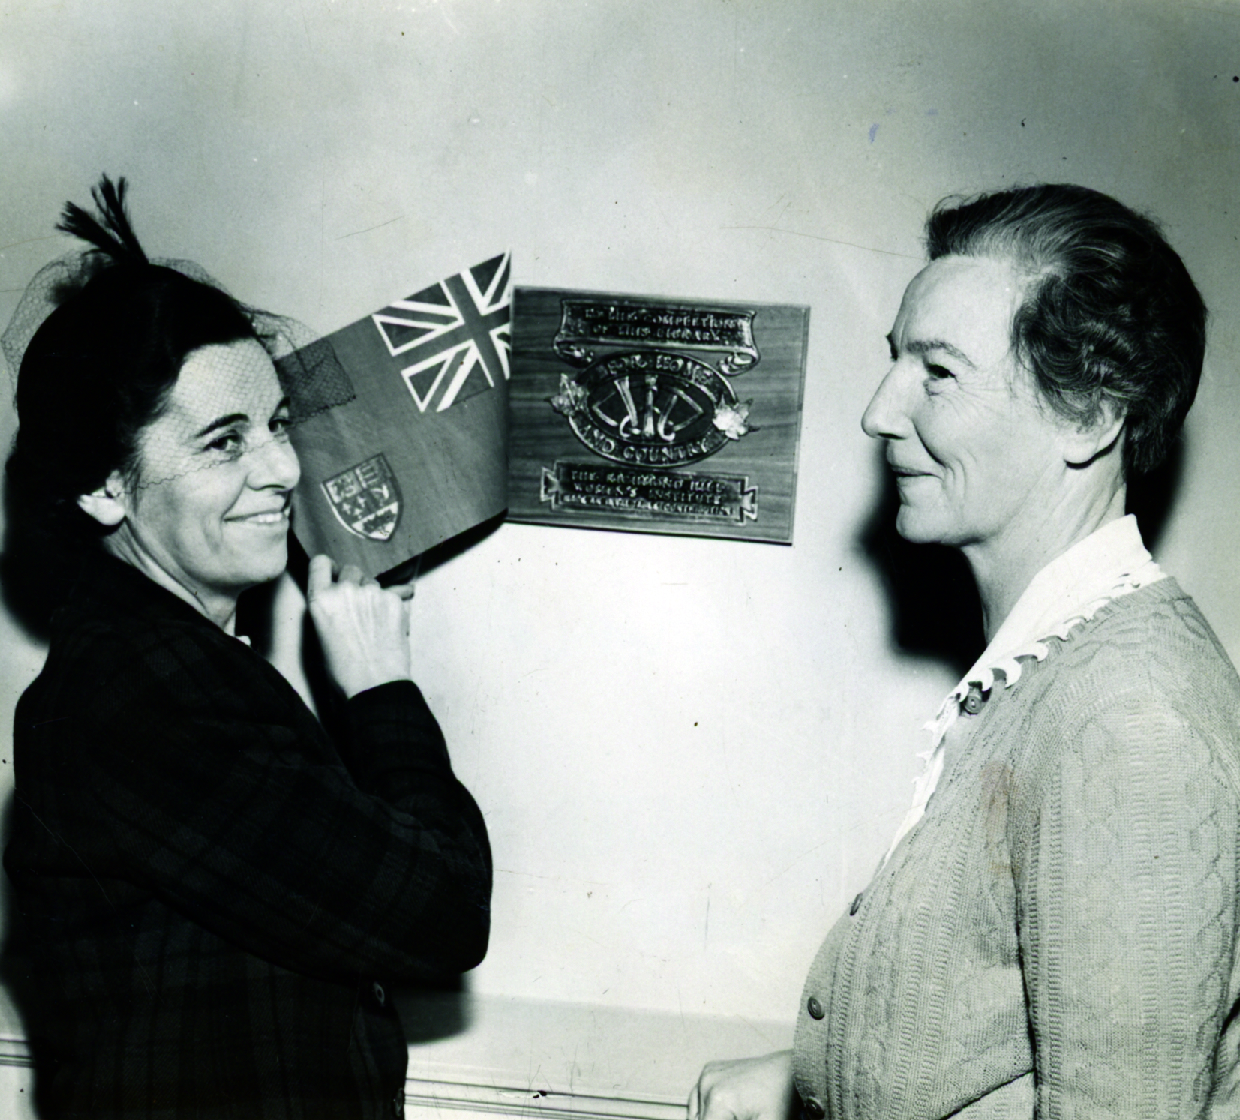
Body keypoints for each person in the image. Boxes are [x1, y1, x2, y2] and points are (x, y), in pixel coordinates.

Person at [689, 184, 1240, 1119]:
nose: (877, 412)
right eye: (895, 362)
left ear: (1088, 415)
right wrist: (802, 1080)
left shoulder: (1126, 717)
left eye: (936, 373)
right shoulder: (1055, 669)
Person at [2, 177, 492, 1119]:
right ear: (106, 487)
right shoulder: (146, 690)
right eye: (225, 443)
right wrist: (382, 690)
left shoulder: (171, 662)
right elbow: (442, 915)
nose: (281, 468)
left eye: (276, 424)